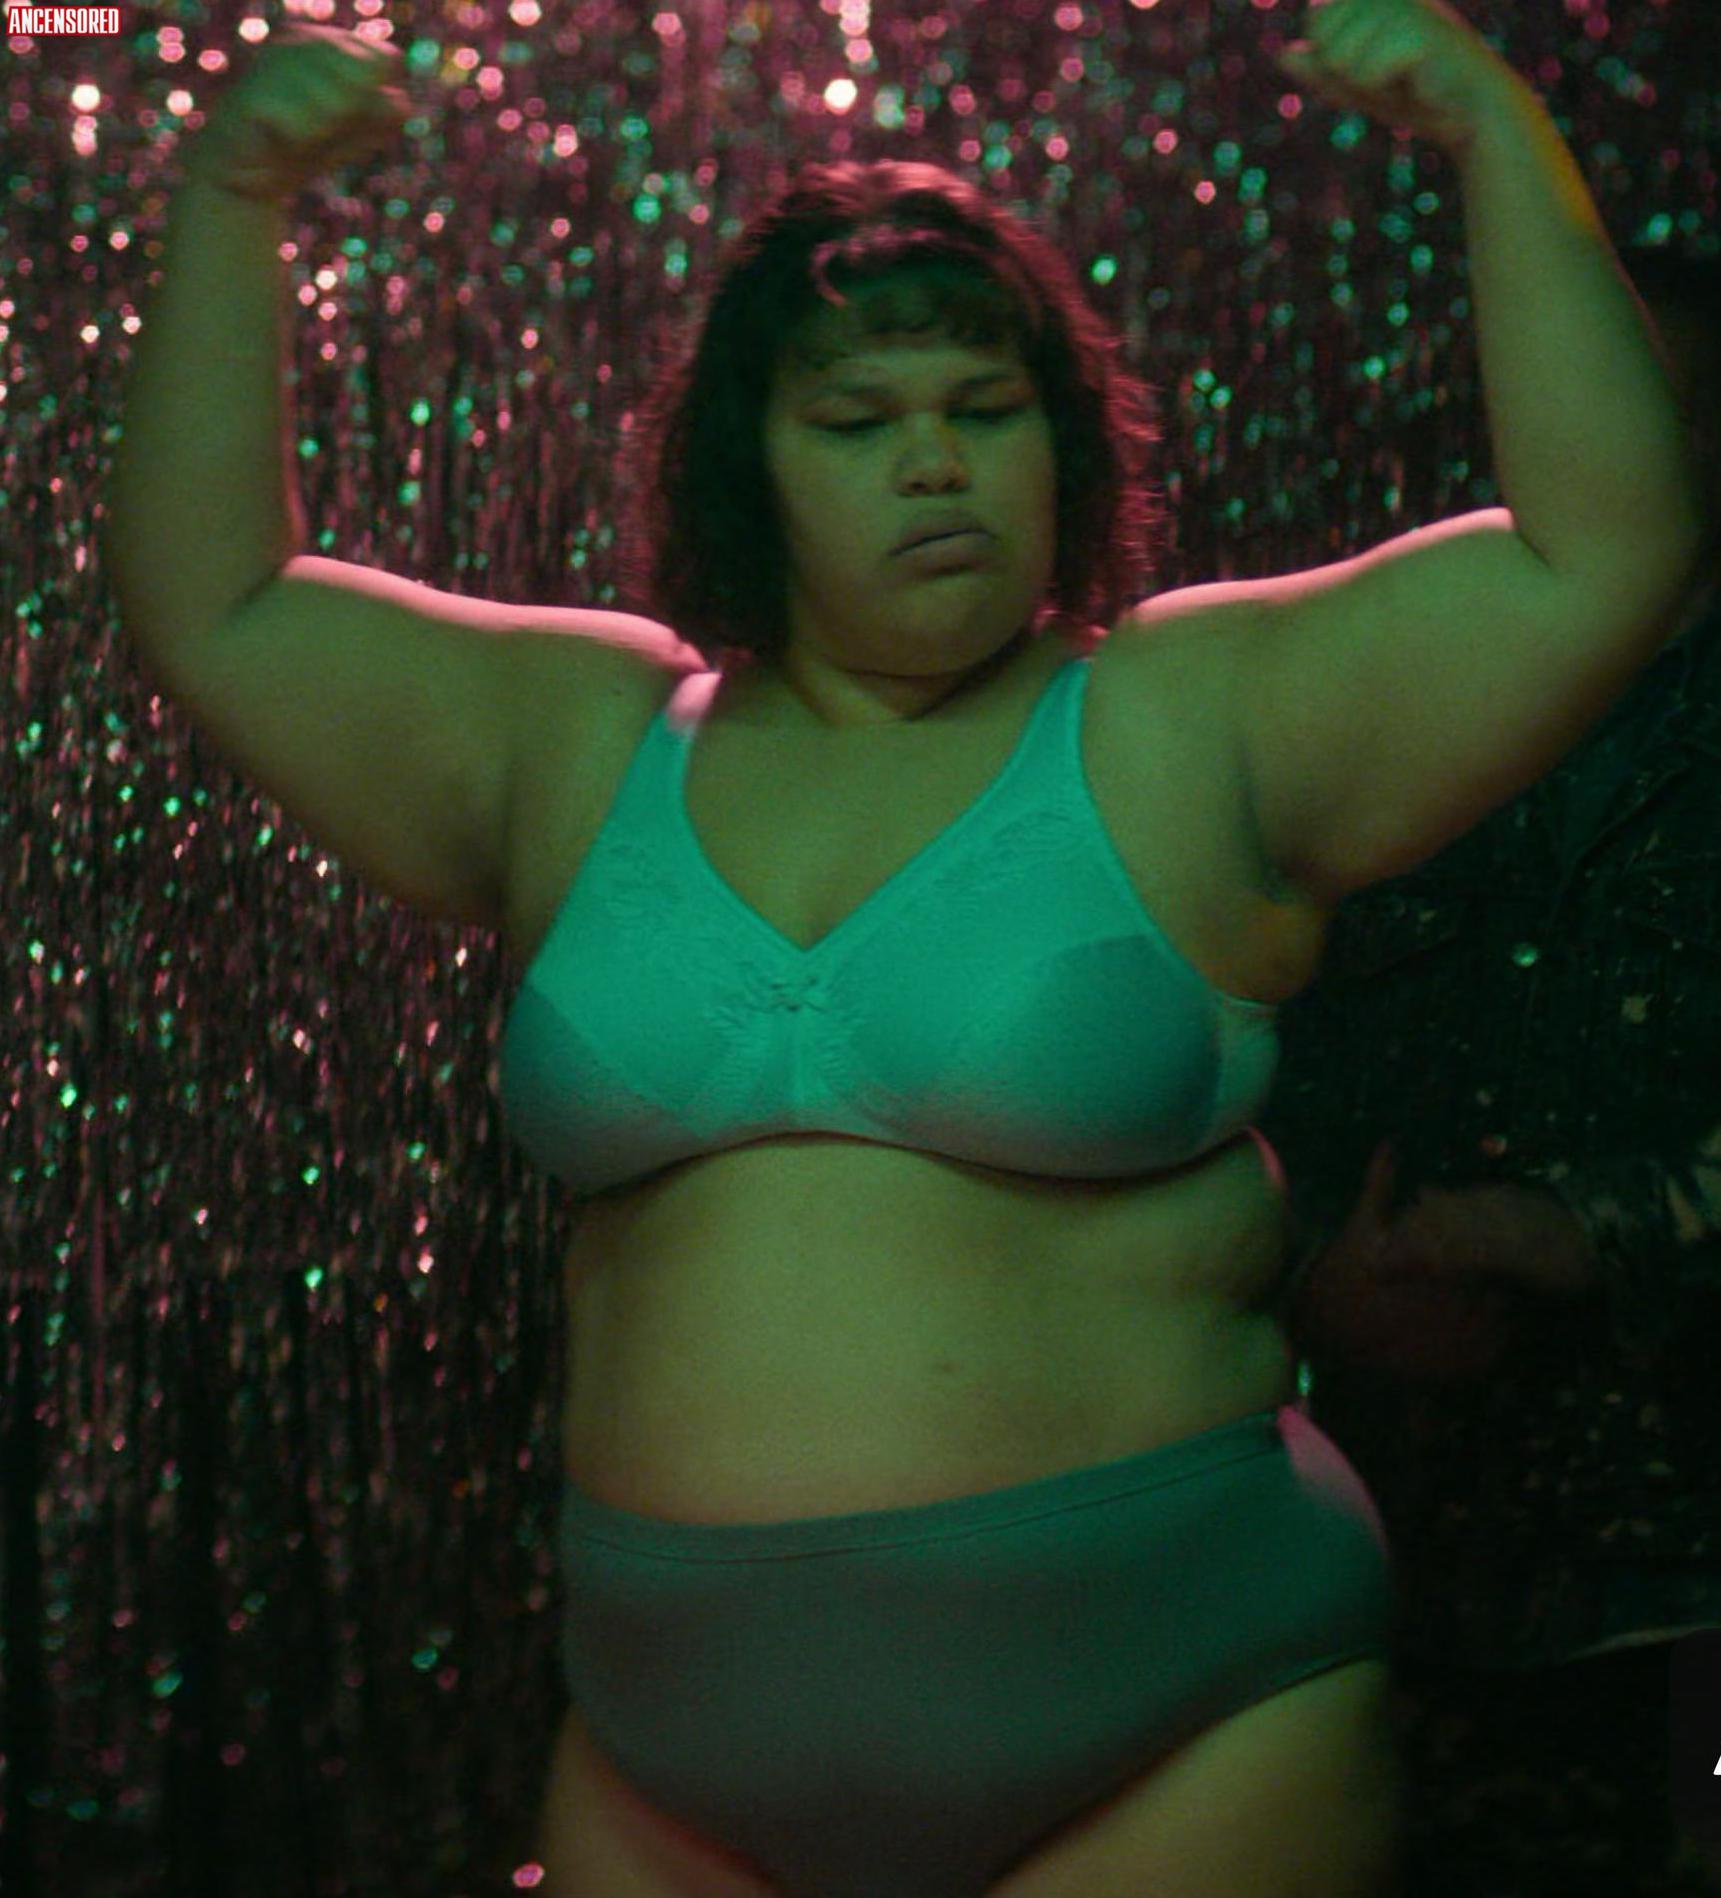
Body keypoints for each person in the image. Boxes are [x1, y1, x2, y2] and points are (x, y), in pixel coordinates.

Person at [100, 18, 1707, 1898]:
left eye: (985, 408)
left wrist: (1490, 128)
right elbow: (218, 605)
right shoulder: (578, 739)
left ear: (1063, 438)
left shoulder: (1185, 717)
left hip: (1179, 1717)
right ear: (747, 470)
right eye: (858, 425)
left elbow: (1597, 557)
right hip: (665, 1759)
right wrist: (229, 201)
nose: (934, 463)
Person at [1270, 246, 1721, 1896]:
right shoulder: (1371, 703)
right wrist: (1314, 1275)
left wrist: (1573, 1230)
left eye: (1652, 394)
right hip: (1395, 1559)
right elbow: (1222, 1052)